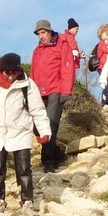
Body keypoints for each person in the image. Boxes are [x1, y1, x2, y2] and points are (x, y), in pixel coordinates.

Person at [0, 52, 51, 216]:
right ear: (1, 70)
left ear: (18, 70)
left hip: (20, 131)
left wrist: (45, 132)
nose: (10, 76)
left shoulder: (28, 85)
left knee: (24, 169)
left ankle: (27, 204)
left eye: (14, 72)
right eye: (7, 72)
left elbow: (37, 110)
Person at [30, 18, 76, 171]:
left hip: (56, 90)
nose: (41, 36)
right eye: (38, 34)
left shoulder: (62, 46)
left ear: (49, 31)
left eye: (43, 33)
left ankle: (48, 163)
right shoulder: (37, 50)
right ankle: (58, 154)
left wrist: (66, 91)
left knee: (49, 126)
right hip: (38, 92)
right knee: (35, 125)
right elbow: (33, 73)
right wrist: (30, 93)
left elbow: (68, 69)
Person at [90, 23, 108, 105]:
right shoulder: (102, 43)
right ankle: (104, 103)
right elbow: (99, 55)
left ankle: (107, 102)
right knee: (107, 85)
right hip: (102, 67)